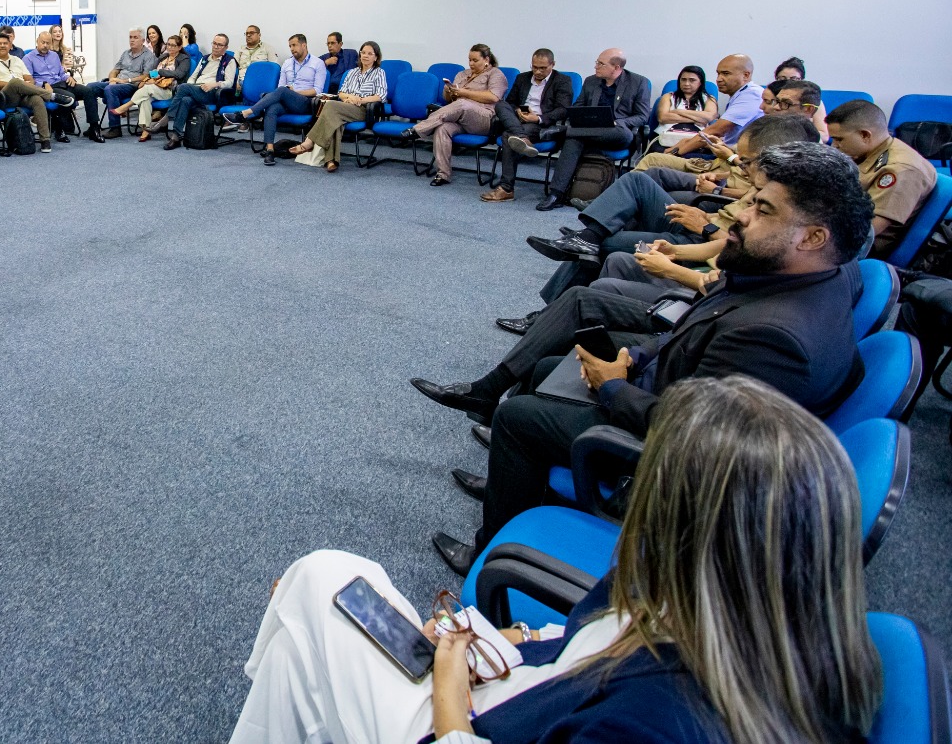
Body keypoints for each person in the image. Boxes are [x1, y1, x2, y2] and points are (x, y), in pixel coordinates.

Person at [230, 375, 883, 744]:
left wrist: (453, 700)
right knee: (328, 600)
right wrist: (497, 640)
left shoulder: (660, 725)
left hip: (476, 726)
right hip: (527, 683)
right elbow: (583, 640)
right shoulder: (754, 611)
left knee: (318, 585)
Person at [416, 142, 873, 572]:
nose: (741, 217)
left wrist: (612, 386)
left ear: (813, 237)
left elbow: (690, 435)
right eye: (752, 199)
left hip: (678, 456)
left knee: (519, 417)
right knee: (542, 368)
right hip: (675, 384)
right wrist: (633, 356)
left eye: (763, 209)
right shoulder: (822, 272)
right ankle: (514, 482)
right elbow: (696, 324)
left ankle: (487, 551)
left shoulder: (774, 337)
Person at [520, 114, 821, 310]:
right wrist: (714, 199)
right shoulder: (770, 181)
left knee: (607, 242)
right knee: (640, 179)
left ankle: (557, 298)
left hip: (702, 234)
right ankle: (588, 236)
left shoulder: (787, 199)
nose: (740, 165)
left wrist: (706, 224)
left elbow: (730, 254)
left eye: (747, 160)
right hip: (702, 225)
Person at [534, 48, 652, 211]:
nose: (596, 66)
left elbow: (642, 116)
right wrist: (581, 117)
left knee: (619, 131)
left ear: (616, 67)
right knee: (573, 140)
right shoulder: (591, 81)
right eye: (597, 62)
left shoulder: (639, 83)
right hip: (588, 132)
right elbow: (578, 107)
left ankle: (561, 131)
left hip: (617, 135)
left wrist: (620, 122)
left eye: (601, 64)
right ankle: (556, 194)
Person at [827, 99, 938, 258]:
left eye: (839, 139)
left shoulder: (900, 169)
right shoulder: (876, 149)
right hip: (843, 224)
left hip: (863, 249)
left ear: (865, 135)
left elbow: (868, 230)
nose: (835, 146)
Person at [404, 44, 507, 186]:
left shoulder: (496, 74)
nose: (471, 63)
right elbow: (449, 100)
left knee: (463, 103)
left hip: (484, 119)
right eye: (469, 60)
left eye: (475, 60)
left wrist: (464, 93)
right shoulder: (462, 74)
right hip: (461, 119)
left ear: (486, 60)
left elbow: (493, 97)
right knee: (443, 128)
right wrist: (449, 90)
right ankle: (443, 174)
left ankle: (418, 129)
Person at [483, 49, 575, 202]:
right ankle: (522, 137)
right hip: (518, 120)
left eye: (543, 68)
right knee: (500, 105)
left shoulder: (563, 81)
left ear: (553, 65)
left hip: (540, 124)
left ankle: (506, 188)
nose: (537, 71)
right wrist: (518, 110)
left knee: (507, 136)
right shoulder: (522, 78)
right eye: (534, 67)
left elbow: (563, 110)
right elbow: (511, 102)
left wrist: (537, 118)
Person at [289, 41, 386, 172]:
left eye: (370, 54)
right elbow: (341, 92)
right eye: (363, 53)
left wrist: (360, 100)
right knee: (335, 121)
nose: (366, 56)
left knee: (330, 106)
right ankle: (331, 161)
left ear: (376, 57)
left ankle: (310, 141)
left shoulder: (379, 72)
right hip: (345, 107)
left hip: (363, 109)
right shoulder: (352, 72)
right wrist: (349, 98)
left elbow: (380, 95)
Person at [231, 34, 328, 165]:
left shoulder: (317, 63)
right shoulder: (287, 63)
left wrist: (294, 92)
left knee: (282, 91)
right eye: (290, 46)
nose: (292, 49)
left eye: (294, 45)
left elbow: (317, 90)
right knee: (273, 107)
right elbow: (280, 86)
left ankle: (247, 113)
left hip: (306, 102)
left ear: (304, 45)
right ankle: (270, 150)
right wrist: (287, 92)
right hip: (286, 100)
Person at [655, 54, 761, 161]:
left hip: (737, 159)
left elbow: (716, 129)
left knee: (654, 160)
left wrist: (676, 152)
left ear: (746, 75)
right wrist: (685, 142)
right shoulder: (741, 94)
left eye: (726, 73)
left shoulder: (751, 95)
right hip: (727, 151)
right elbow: (663, 117)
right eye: (718, 74)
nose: (719, 79)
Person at [0, 27, 71, 152]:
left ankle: (45, 140)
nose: (2, 46)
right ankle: (50, 95)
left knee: (37, 100)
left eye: (5, 43)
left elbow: (30, 79)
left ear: (10, 45)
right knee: (15, 82)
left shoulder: (17, 60)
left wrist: (22, 85)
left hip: (22, 95)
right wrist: (16, 84)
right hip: (2, 97)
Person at [81, 27, 158, 141]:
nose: (132, 40)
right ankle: (94, 125)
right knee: (89, 88)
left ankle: (115, 128)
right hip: (116, 83)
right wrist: (112, 79)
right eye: (130, 37)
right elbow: (115, 70)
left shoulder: (149, 56)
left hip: (132, 86)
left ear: (143, 40)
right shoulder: (126, 53)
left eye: (135, 37)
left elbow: (146, 76)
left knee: (110, 90)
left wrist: (125, 81)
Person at [162, 34, 237, 149]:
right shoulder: (205, 58)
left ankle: (167, 117)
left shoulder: (229, 61)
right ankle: (175, 137)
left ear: (226, 47)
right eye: (214, 43)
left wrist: (215, 84)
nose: (216, 47)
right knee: (186, 99)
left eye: (220, 45)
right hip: (197, 89)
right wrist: (192, 87)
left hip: (213, 92)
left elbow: (229, 83)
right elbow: (193, 77)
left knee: (183, 87)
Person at [114, 31, 189, 141]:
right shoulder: (164, 57)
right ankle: (146, 129)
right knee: (145, 99)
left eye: (173, 45)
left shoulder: (184, 59)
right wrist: (149, 79)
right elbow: (152, 72)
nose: (170, 47)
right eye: (168, 44)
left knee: (147, 89)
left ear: (179, 47)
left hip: (169, 89)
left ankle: (126, 106)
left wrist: (161, 73)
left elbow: (179, 74)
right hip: (154, 87)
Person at [24, 26, 86, 142]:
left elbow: (61, 74)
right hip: (46, 88)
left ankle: (94, 127)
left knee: (88, 91)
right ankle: (59, 130)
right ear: (37, 42)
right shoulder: (28, 58)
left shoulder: (54, 55)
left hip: (60, 83)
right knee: (68, 97)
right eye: (43, 42)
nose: (45, 45)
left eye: (48, 43)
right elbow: (29, 81)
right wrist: (43, 83)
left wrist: (69, 77)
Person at [647, 65, 719, 150]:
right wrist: (699, 118)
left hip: (696, 140)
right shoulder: (668, 97)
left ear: (700, 82)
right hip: (666, 139)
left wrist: (678, 111)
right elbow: (663, 118)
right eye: (683, 80)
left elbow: (709, 117)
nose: (686, 83)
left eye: (692, 80)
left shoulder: (709, 99)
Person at [776, 55, 829, 138]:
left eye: (794, 79)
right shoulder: (768, 98)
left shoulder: (812, 101)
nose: (788, 82)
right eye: (782, 79)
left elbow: (824, 135)